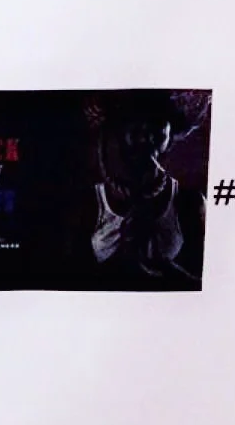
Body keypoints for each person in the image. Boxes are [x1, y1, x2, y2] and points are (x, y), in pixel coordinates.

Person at [80, 93, 207, 287]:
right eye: (136, 121)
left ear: (170, 134)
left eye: (157, 122)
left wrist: (160, 266)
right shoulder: (88, 202)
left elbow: (205, 285)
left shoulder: (190, 202)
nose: (146, 133)